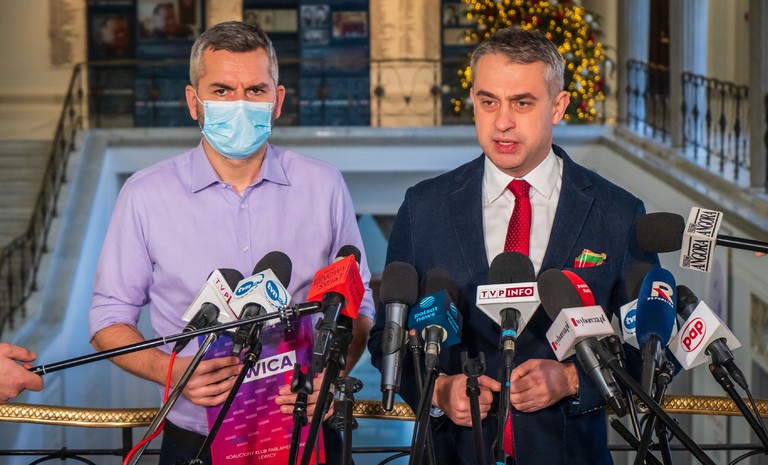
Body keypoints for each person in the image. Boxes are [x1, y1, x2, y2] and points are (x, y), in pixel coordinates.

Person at [88, 21, 374, 465]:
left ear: (277, 101)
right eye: (221, 91)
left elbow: (359, 301)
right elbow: (108, 318)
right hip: (195, 440)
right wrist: (172, 372)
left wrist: (334, 374)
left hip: (307, 431)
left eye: (255, 90)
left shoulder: (324, 185)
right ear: (193, 102)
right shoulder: (145, 195)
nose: (239, 104)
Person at [368, 27, 658, 465]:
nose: (502, 122)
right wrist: (439, 391)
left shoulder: (617, 213)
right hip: (453, 454)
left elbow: (653, 350)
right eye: (489, 102)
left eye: (522, 103)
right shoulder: (423, 208)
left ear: (558, 106)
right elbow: (385, 338)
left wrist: (572, 380)